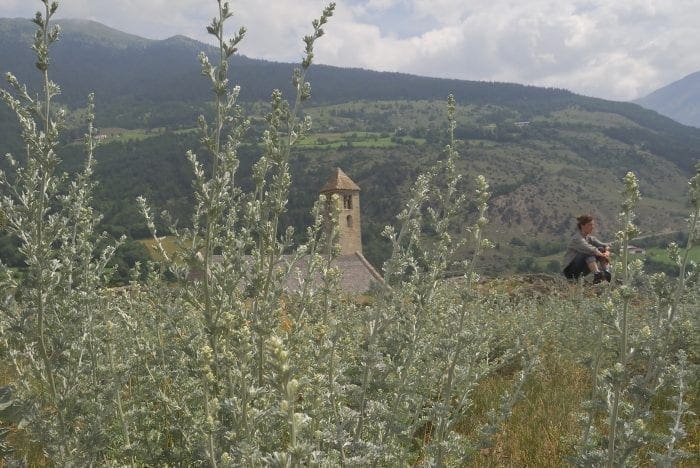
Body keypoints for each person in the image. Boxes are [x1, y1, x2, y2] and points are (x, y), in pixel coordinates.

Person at [562, 215, 611, 283]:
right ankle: (597, 274)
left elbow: (605, 245)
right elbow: (590, 249)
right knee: (588, 252)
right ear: (582, 225)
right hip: (570, 271)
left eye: (593, 225)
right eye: (590, 225)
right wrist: (603, 255)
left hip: (581, 269)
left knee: (601, 249)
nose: (592, 227)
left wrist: (607, 252)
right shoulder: (577, 239)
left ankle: (607, 272)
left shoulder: (590, 238)